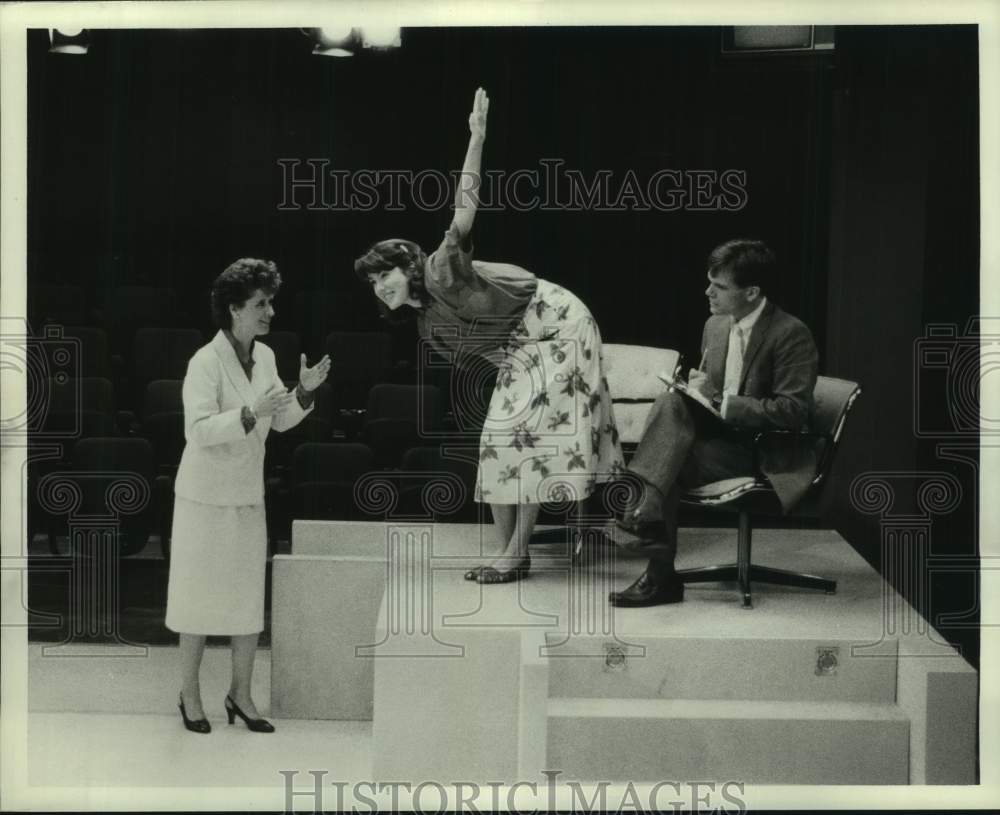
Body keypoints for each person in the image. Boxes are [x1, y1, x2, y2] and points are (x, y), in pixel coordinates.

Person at [354, 88, 624, 584]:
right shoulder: (425, 322)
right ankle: (509, 552)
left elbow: (463, 208)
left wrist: (476, 140)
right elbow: (486, 350)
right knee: (498, 442)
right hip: (523, 344)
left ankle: (515, 555)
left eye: (384, 274)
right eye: (372, 282)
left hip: (558, 321)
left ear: (407, 265)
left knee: (531, 442)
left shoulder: (439, 271)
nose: (380, 286)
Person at [165, 258, 331, 733]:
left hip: (245, 495)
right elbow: (196, 430)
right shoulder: (204, 361)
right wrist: (248, 413)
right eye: (261, 304)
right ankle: (190, 695)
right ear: (235, 310)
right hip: (202, 497)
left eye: (270, 302)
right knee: (195, 600)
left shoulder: (266, 357)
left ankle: (240, 694)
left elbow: (277, 419)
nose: (270, 312)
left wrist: (303, 391)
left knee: (245, 600)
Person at [610, 239, 819, 607]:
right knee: (672, 404)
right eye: (709, 282)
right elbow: (710, 394)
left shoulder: (791, 333)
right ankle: (648, 530)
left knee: (666, 463)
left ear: (752, 292)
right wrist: (697, 392)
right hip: (720, 441)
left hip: (762, 451)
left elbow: (792, 411)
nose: (708, 292)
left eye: (719, 286)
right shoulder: (715, 326)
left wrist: (721, 401)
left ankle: (651, 552)